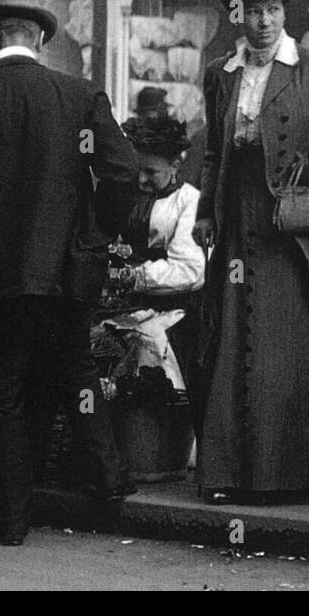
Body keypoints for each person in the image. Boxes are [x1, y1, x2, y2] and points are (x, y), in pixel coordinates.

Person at [0, 0, 140, 546]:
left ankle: (10, 524)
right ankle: (112, 494)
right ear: (40, 37)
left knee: (4, 389)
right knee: (77, 376)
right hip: (66, 272)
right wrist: (92, 238)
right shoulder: (79, 97)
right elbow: (123, 174)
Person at [192, 0, 309, 503]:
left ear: (285, 11)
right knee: (231, 346)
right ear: (236, 15)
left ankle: (281, 477)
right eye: (253, 11)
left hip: (293, 235)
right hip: (239, 225)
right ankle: (227, 475)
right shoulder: (221, 74)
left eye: (272, 10)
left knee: (282, 353)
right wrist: (203, 211)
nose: (264, 21)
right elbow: (215, 153)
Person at [119, 113, 207, 433]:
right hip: (126, 301)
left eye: (151, 172)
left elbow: (191, 270)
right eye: (137, 170)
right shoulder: (125, 194)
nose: (142, 180)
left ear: (175, 166)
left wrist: (135, 275)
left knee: (149, 344)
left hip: (176, 308)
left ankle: (155, 441)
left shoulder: (190, 202)